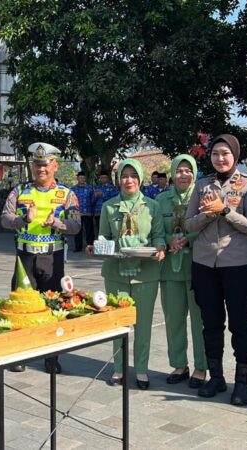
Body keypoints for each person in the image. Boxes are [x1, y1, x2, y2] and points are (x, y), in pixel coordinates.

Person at [185, 133, 247, 406]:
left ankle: (242, 383)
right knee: (211, 323)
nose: (220, 158)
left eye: (225, 153)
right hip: (205, 263)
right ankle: (216, 377)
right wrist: (207, 214)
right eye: (215, 153)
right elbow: (188, 224)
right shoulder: (201, 185)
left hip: (239, 264)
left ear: (235, 156)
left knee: (241, 324)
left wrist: (225, 210)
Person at [1, 142, 81, 373]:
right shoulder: (19, 191)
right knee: (21, 307)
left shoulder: (67, 194)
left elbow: (76, 226)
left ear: (55, 165)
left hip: (52, 258)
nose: (41, 169)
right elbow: (5, 219)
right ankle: (21, 354)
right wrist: (24, 219)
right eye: (37, 164)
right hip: (25, 258)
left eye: (45, 164)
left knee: (53, 307)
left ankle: (51, 357)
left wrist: (56, 222)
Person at [88, 159, 166, 389]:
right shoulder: (109, 206)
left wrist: (160, 248)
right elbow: (103, 236)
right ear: (118, 179)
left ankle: (141, 370)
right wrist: (97, 247)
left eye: (133, 175)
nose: (128, 180)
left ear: (140, 179)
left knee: (143, 323)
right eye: (124, 175)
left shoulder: (152, 206)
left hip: (146, 273)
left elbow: (158, 236)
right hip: (116, 272)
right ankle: (119, 369)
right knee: (118, 323)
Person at [156, 155, 207, 388]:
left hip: (198, 267)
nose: (183, 175)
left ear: (194, 173)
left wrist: (188, 239)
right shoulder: (161, 200)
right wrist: (168, 240)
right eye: (179, 170)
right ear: (172, 174)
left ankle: (201, 367)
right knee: (174, 319)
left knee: (200, 321)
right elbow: (156, 230)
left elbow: (208, 227)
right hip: (170, 269)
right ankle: (179, 365)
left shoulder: (203, 197)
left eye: (188, 170)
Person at [70, 171, 95, 252]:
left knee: (89, 231)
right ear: (77, 178)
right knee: (77, 230)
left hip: (88, 212)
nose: (82, 179)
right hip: (76, 212)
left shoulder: (90, 188)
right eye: (80, 178)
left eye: (83, 178)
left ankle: (90, 247)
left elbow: (93, 200)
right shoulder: (72, 189)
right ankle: (78, 247)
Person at [93, 171, 119, 237]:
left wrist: (103, 195)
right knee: (100, 231)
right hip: (98, 212)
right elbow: (92, 201)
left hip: (109, 212)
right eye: (101, 178)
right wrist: (94, 196)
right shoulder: (96, 188)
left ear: (108, 178)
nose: (103, 179)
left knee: (110, 230)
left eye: (104, 177)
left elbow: (115, 199)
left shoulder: (113, 188)